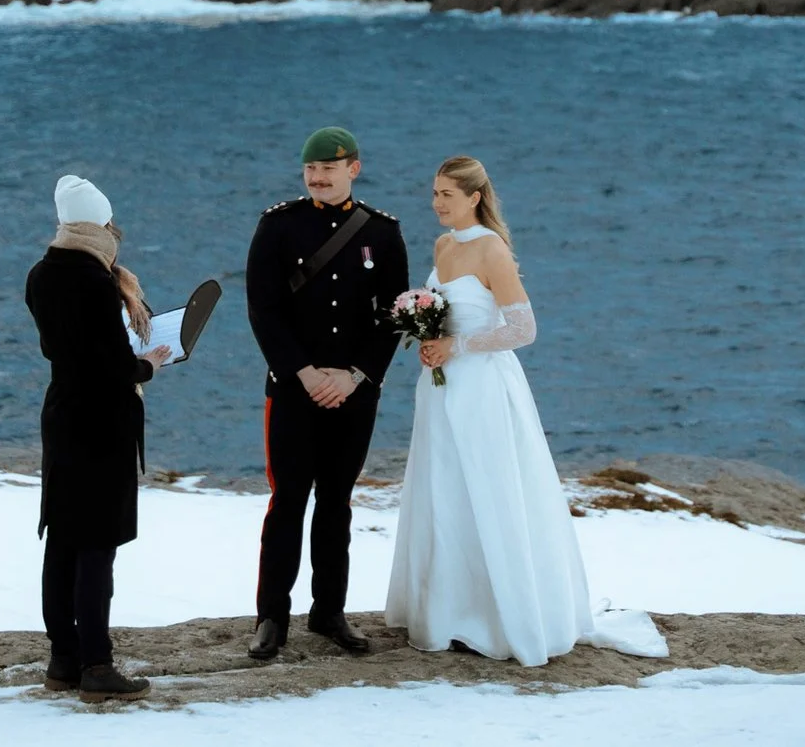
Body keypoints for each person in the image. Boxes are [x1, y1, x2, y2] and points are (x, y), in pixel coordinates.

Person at [383, 155, 593, 665]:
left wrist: (457, 347)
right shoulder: (443, 245)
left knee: (485, 488)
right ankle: (448, 611)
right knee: (445, 490)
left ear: (474, 198)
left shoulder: (491, 250)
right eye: (434, 193)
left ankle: (497, 617)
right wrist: (429, 338)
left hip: (481, 389)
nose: (437, 204)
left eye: (447, 196)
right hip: (440, 388)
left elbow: (524, 329)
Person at [243, 126, 409, 658]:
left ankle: (329, 612)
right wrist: (306, 373)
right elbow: (263, 310)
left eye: (329, 169)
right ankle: (271, 617)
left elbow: (391, 316)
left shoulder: (383, 234)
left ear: (352, 169)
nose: (317, 178)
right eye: (311, 170)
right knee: (288, 501)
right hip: (295, 389)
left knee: (336, 503)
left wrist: (355, 375)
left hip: (354, 393)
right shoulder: (278, 226)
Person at [25, 174, 174, 700]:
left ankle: (63, 660)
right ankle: (98, 666)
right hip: (100, 424)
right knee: (96, 548)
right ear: (98, 225)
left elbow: (71, 353)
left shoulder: (41, 274)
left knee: (63, 542)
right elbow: (111, 365)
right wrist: (149, 365)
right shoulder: (93, 279)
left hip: (62, 415)